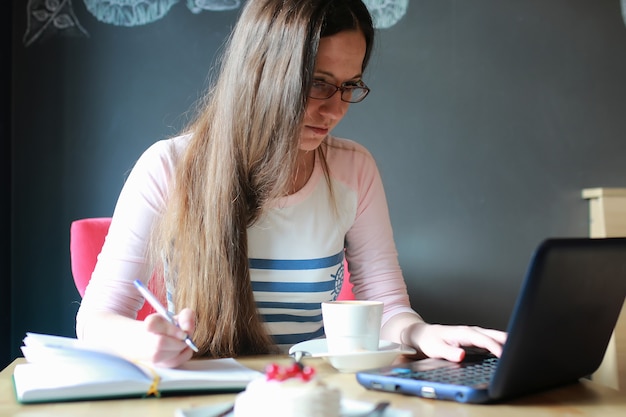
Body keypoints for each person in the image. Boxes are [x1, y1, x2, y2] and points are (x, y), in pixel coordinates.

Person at [76, 0, 507, 368]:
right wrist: (143, 342)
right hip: (198, 395)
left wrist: (420, 333)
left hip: (308, 393)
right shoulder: (168, 167)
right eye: (318, 83)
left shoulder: (354, 169)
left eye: (349, 86)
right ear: (262, 71)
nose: (335, 109)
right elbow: (96, 319)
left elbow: (389, 305)